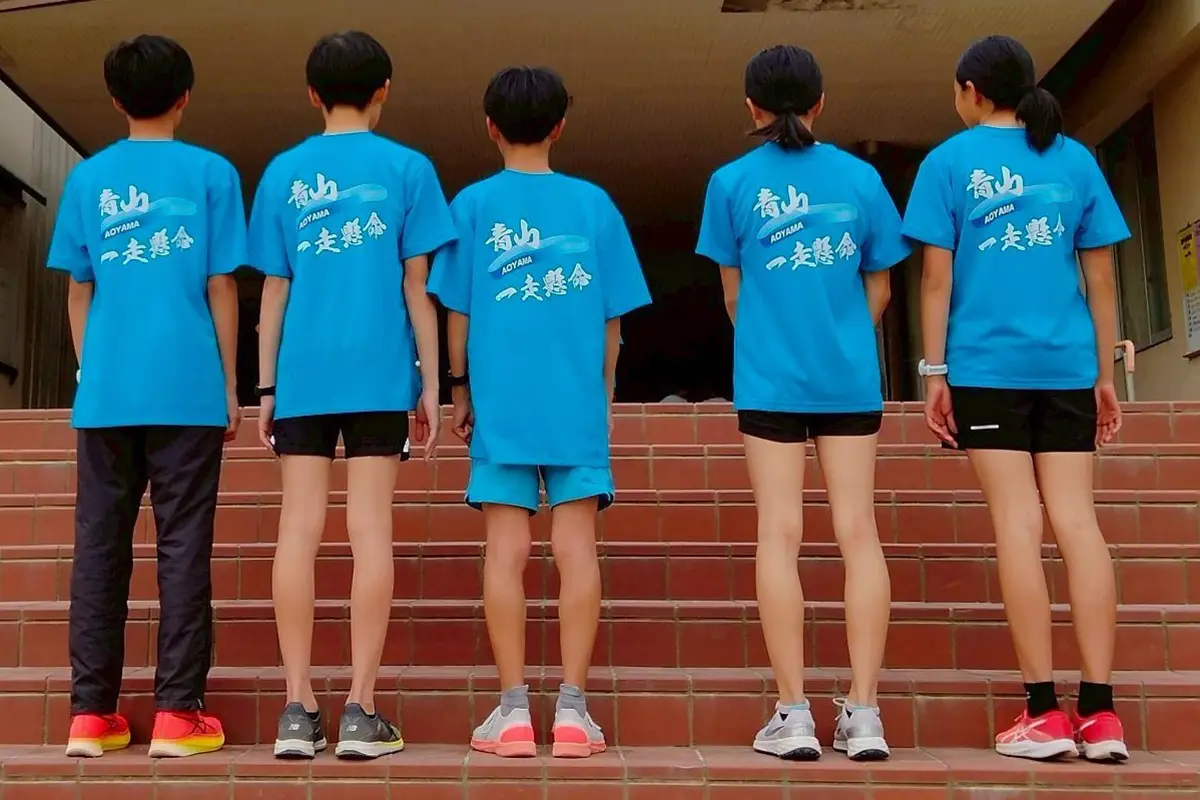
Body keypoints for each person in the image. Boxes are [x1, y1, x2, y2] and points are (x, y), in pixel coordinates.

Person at [902, 35, 1130, 762]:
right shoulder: (1075, 159)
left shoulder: (947, 164)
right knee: (1078, 522)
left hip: (987, 368)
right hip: (1067, 367)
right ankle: (1102, 714)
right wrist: (1104, 373)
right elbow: (1102, 279)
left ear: (972, 90)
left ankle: (1043, 713)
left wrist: (934, 373)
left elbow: (935, 281)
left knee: (1017, 523)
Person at [428, 66, 651, 759]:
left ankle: (514, 712)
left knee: (507, 549)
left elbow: (457, 314)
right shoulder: (594, 205)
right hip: (575, 401)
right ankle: (574, 715)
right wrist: (603, 395)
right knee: (576, 547)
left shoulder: (471, 206)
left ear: (490, 127)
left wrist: (459, 389)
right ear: (560, 126)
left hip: (501, 403)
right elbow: (613, 321)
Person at [696, 45, 909, 761]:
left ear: (751, 107)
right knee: (859, 532)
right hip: (849, 377)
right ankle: (865, 713)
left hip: (770, 380)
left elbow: (733, 296)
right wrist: (843, 336)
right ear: (820, 103)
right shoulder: (862, 178)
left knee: (778, 533)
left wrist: (773, 340)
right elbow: (881, 285)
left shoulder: (730, 182)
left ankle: (793, 715)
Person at [249, 30, 454, 760]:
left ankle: (297, 708)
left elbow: (275, 289)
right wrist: (434, 385)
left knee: (298, 530)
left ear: (312, 93)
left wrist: (265, 386)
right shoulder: (409, 168)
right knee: (371, 531)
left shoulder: (283, 171)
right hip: (378, 374)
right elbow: (418, 288)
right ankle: (361, 711)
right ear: (383, 90)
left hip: (303, 375)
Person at [49, 35, 243, 759]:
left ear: (114, 98)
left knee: (99, 548)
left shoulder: (87, 179)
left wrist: (92, 367)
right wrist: (230, 384)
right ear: (185, 96)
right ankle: (176, 714)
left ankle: (90, 716)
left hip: (107, 394)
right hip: (188, 390)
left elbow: (79, 290)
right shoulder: (212, 173)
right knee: (184, 547)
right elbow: (221, 285)